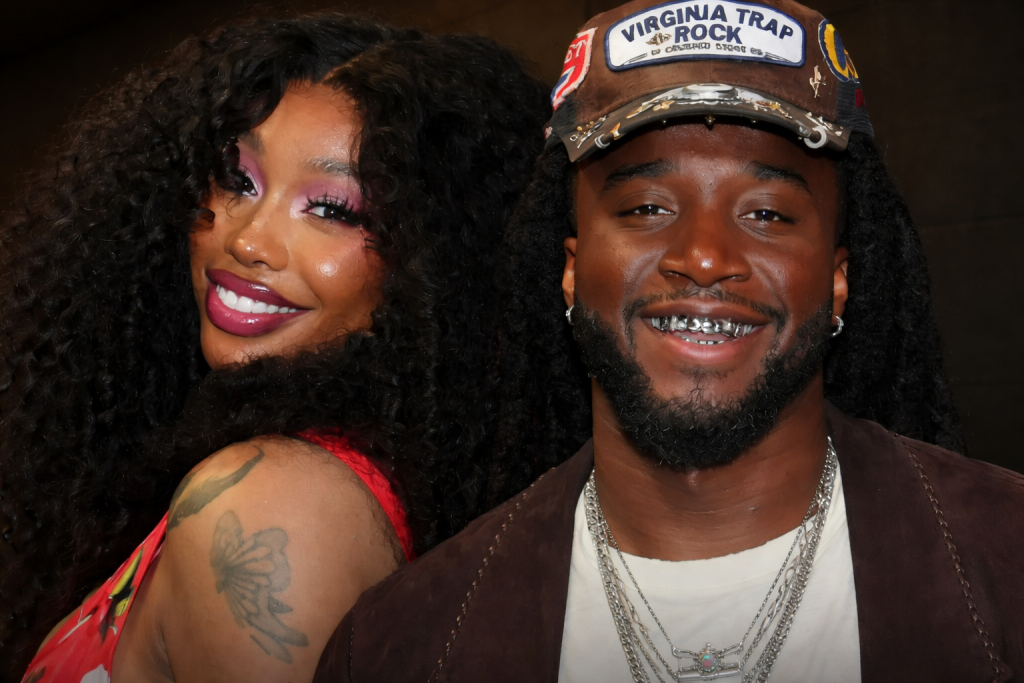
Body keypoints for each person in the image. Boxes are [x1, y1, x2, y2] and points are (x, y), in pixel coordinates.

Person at [314, 0, 1024, 681]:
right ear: (569, 271)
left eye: (768, 214)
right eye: (647, 207)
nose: (704, 257)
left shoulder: (1006, 557)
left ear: (839, 279)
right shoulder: (396, 647)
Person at [0, 14, 549, 683]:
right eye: (237, 179)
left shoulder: (271, 501)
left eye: (334, 209)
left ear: (437, 269)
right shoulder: (306, 478)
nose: (249, 240)